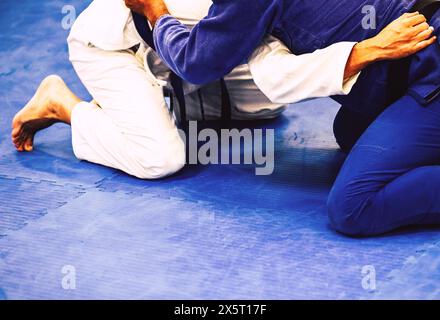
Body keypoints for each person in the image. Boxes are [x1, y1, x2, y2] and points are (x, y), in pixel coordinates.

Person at [124, 0, 440, 236]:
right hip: (418, 51)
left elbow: (197, 62)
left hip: (430, 68)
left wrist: (157, 14)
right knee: (350, 129)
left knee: (353, 207)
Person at [11, 0, 414, 178]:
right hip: (111, 46)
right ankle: (65, 105)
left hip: (187, 51)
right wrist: (366, 52)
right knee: (161, 158)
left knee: (265, 111)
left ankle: (140, 99)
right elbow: (204, 60)